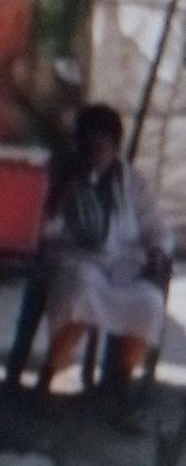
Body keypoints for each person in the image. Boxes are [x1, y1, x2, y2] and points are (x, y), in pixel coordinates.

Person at [39, 103, 173, 393]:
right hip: (78, 260)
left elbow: (155, 227)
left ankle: (121, 381)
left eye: (104, 147)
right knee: (83, 289)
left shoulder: (132, 181)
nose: (97, 155)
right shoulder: (64, 179)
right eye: (91, 148)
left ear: (115, 148)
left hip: (125, 266)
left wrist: (156, 250)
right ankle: (49, 376)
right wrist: (65, 195)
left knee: (148, 302)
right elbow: (46, 231)